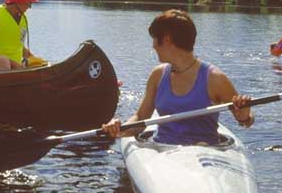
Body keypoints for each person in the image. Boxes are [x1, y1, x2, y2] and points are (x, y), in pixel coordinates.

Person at [102, 9, 254, 145]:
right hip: (163, 149)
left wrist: (244, 115)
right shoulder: (158, 75)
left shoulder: (215, 79)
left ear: (167, 39)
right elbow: (141, 118)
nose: (153, 46)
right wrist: (119, 128)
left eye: (155, 39)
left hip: (205, 153)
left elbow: (246, 122)